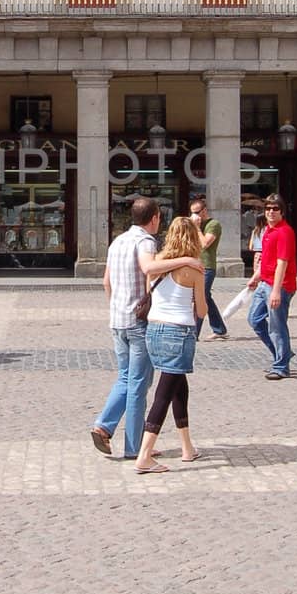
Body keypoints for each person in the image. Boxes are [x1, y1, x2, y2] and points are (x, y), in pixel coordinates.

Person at [91, 197, 199, 461]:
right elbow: (149, 267)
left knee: (126, 377)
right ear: (155, 218)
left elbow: (107, 282)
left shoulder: (117, 241)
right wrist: (185, 259)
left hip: (117, 319)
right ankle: (134, 446)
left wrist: (116, 306)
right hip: (139, 322)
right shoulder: (145, 241)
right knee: (139, 383)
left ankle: (104, 425)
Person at [135, 215, 208, 474]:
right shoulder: (194, 269)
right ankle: (144, 455)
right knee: (164, 394)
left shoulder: (157, 264)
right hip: (179, 332)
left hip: (154, 330)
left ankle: (187, 447)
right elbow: (201, 311)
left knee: (178, 387)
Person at [247, 194, 297, 380]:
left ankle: (281, 366)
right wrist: (255, 277)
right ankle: (282, 353)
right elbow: (266, 260)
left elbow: (282, 262)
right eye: (268, 208)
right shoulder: (268, 230)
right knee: (254, 319)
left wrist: (276, 291)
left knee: (277, 326)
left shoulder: (285, 232)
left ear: (282, 211)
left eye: (275, 209)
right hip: (264, 282)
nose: (271, 212)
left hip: (280, 285)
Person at [188, 192, 227, 340]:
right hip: (194, 264)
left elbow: (205, 243)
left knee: (200, 298)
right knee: (206, 297)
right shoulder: (193, 224)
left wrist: (197, 228)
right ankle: (220, 329)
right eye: (192, 213)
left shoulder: (213, 224)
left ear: (204, 210)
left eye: (197, 212)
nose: (195, 216)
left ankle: (194, 333)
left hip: (207, 266)